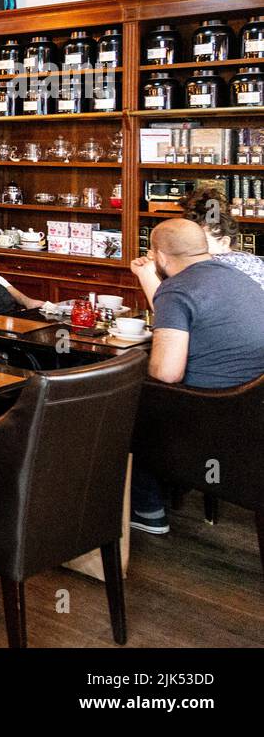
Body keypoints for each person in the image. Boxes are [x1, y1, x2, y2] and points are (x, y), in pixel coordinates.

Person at [127, 218, 264, 534]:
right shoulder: (241, 277)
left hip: (213, 412)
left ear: (160, 257)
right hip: (251, 408)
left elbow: (166, 373)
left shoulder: (177, 288)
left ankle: (147, 509)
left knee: (128, 400)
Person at [181, 186, 264, 290]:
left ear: (224, 242)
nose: (191, 247)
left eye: (200, 241)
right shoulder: (252, 261)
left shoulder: (210, 267)